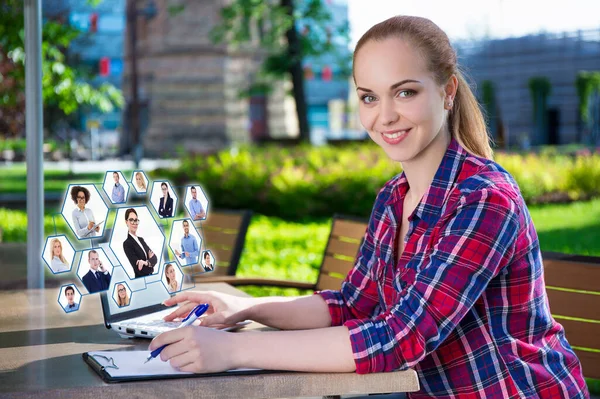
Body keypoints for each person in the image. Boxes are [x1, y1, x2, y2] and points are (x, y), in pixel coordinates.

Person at [148, 16, 588, 398]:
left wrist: (233, 350)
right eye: (369, 97)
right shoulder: (393, 198)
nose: (386, 116)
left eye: (405, 92)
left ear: (448, 90)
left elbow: (402, 339)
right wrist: (243, 310)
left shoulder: (483, 198)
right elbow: (353, 304)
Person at [122, 208, 158, 278]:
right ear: (126, 222)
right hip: (141, 281)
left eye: (136, 220)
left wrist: (145, 262)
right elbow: (140, 270)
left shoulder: (141, 240)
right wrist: (151, 264)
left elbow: (155, 258)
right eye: (131, 220)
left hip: (151, 277)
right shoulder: (127, 244)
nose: (134, 223)